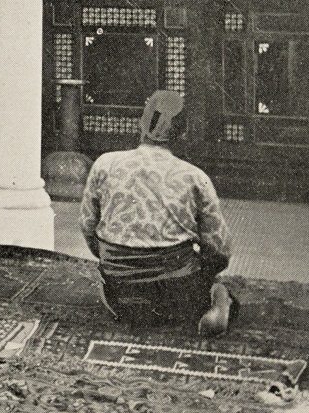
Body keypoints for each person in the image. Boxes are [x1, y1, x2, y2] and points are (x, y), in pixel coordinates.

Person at [79, 88, 236, 336]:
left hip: (120, 291)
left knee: (111, 286)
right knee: (218, 289)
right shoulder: (195, 177)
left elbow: (88, 226)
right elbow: (219, 249)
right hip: (178, 294)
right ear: (182, 132)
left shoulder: (104, 164)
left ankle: (128, 303)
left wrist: (118, 258)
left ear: (141, 123)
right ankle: (215, 305)